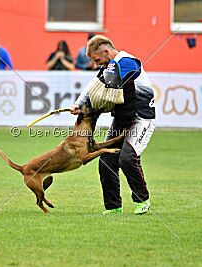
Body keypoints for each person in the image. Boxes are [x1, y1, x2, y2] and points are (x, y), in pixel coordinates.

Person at [71, 35, 156, 215]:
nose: (97, 64)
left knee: (127, 158)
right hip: (122, 120)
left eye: (97, 60)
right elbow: (94, 84)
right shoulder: (109, 66)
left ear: (106, 51)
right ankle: (113, 207)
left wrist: (89, 106)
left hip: (142, 119)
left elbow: (106, 85)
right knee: (107, 161)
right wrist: (79, 104)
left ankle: (143, 200)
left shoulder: (126, 62)